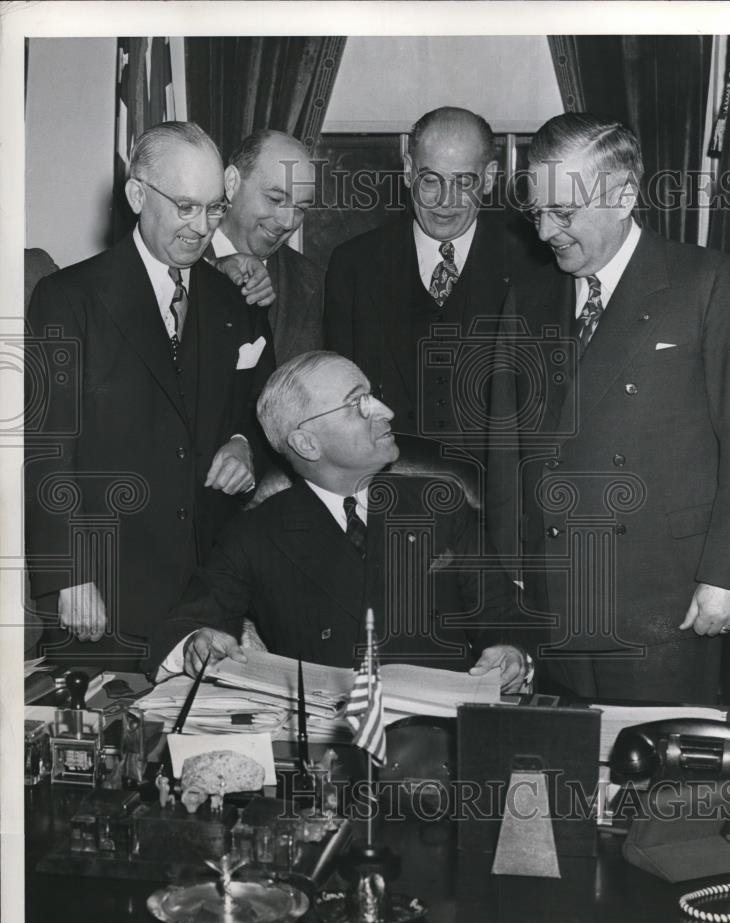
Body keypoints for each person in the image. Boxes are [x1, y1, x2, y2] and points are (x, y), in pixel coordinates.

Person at [485, 112, 730, 703]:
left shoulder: (706, 282)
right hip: (557, 593)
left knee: (661, 786)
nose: (546, 230)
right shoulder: (528, 296)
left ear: (625, 194)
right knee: (569, 777)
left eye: (564, 212)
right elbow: (507, 446)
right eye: (537, 211)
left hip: (668, 597)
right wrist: (513, 566)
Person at [25, 121, 272, 669]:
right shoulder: (67, 298)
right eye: (186, 207)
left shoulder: (234, 303)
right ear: (138, 195)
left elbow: (261, 407)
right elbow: (47, 449)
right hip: (104, 596)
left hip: (206, 594)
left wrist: (242, 442)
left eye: (214, 208)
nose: (202, 228)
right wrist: (70, 575)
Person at [154, 351, 533, 694]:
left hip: (441, 732)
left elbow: (502, 612)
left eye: (373, 395)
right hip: (329, 746)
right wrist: (195, 644)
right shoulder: (255, 534)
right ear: (307, 443)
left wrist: (511, 652)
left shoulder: (441, 504)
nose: (385, 411)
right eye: (358, 403)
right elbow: (188, 623)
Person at [323, 106, 541, 451]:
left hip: (495, 493)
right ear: (409, 172)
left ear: (488, 178)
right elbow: (338, 402)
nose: (444, 201)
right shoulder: (354, 265)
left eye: (463, 182)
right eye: (430, 179)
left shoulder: (532, 268)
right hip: (386, 486)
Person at [213, 129, 324, 366]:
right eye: (275, 199)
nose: (288, 222)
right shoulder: (176, 259)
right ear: (232, 183)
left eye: (301, 208)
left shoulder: (310, 281)